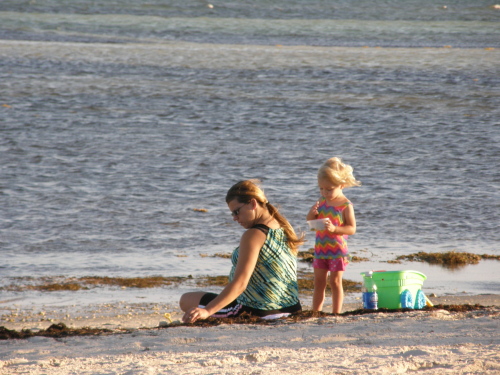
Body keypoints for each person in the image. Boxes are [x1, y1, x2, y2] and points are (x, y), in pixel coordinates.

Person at [180, 180, 304, 323]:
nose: (234, 218)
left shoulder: (254, 235)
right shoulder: (282, 227)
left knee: (186, 300)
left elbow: (240, 284)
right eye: (232, 214)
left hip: (258, 312)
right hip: (292, 309)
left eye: (237, 211)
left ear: (252, 203)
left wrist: (207, 311)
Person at [306, 157, 361, 314]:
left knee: (335, 282)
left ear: (342, 185)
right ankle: (315, 311)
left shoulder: (345, 205)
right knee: (318, 282)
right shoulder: (322, 201)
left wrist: (335, 229)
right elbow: (311, 221)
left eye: (329, 189)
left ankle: (336, 313)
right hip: (320, 250)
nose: (324, 192)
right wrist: (311, 214)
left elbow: (351, 229)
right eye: (321, 189)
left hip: (337, 251)